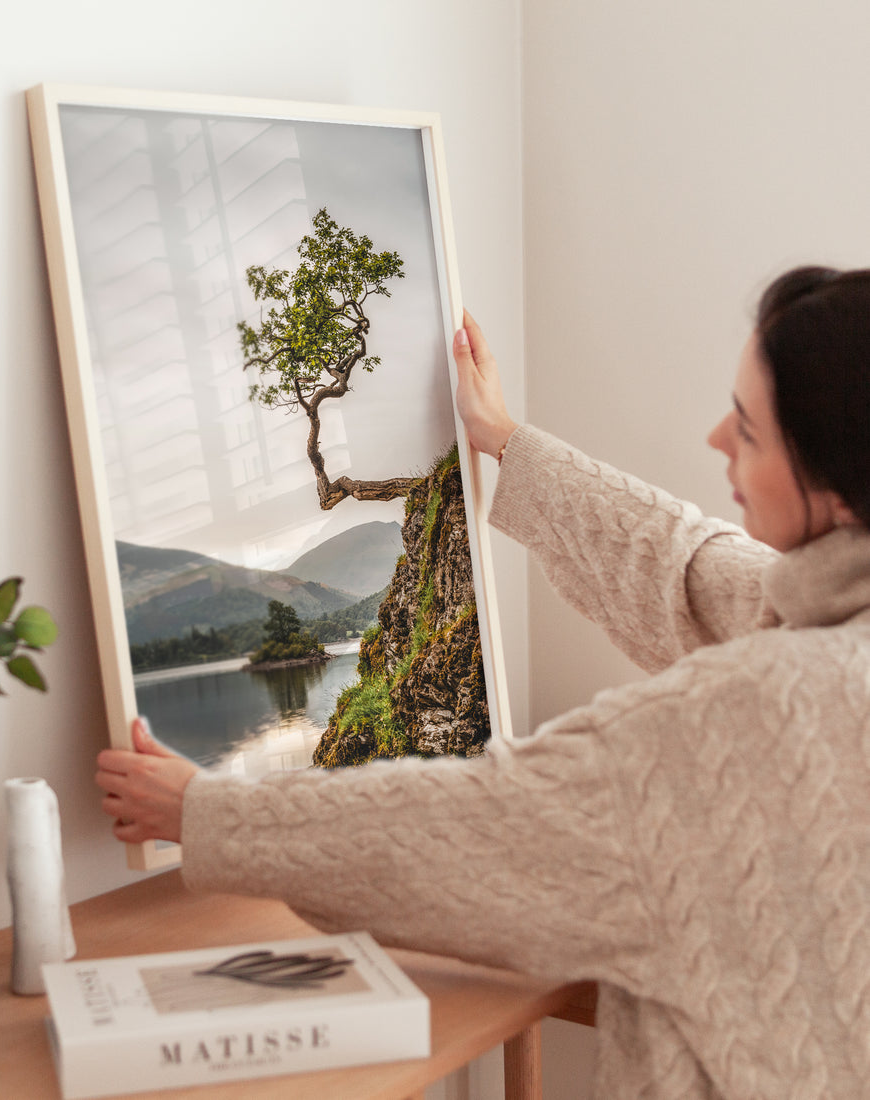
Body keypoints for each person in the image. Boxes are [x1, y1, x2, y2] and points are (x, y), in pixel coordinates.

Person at [95, 266, 870, 1099]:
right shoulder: (831, 620)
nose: (717, 437)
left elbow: (480, 826)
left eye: (749, 431)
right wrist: (504, 440)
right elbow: (686, 568)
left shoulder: (752, 715)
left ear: (835, 487)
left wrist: (203, 812)